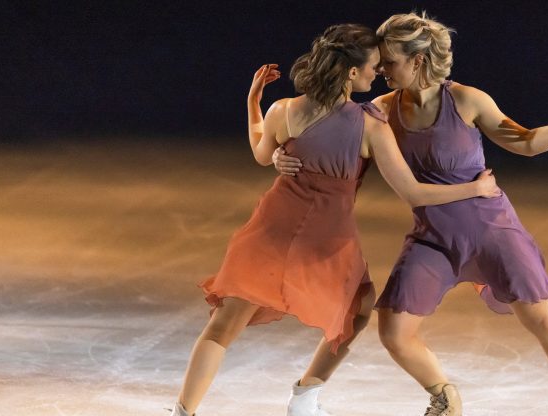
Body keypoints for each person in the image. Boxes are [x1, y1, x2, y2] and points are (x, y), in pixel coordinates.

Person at [273, 12, 548, 416]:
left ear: (418, 61)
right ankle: (445, 396)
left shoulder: (466, 100)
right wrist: (284, 155)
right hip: (433, 238)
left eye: (390, 61)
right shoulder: (380, 110)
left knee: (541, 319)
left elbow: (526, 143)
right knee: (394, 330)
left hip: (492, 230)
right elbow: (337, 149)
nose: (382, 69)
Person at [168, 23, 500, 416]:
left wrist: (254, 100)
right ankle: (305, 399)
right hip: (327, 236)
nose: (378, 72)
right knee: (358, 311)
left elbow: (261, 152)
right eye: (373, 66)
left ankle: (183, 412)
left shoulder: (284, 110)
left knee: (226, 322)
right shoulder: (370, 125)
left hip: (273, 227)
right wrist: (473, 190)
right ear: (350, 73)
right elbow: (412, 191)